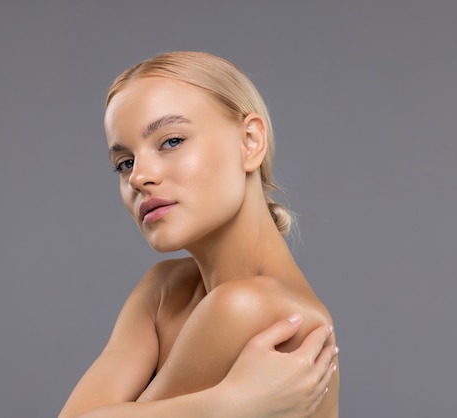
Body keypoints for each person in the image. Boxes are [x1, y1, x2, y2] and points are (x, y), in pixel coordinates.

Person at [59, 51, 339, 417]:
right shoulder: (163, 290)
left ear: (250, 142)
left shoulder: (250, 306)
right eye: (124, 163)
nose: (139, 177)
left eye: (171, 141)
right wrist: (227, 404)